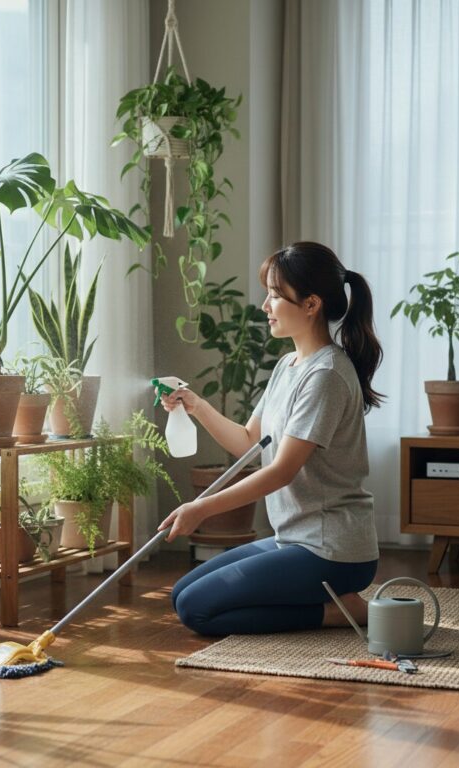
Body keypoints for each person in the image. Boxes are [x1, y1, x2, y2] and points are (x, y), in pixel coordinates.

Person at [158, 241, 384, 636]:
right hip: (292, 539)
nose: (265, 306)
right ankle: (325, 600)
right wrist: (196, 405)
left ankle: (337, 612)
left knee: (196, 611)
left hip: (331, 549)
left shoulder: (326, 375)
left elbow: (281, 472)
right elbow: (250, 442)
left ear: (311, 304)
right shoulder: (289, 366)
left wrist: (201, 507)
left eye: (275, 295)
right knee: (182, 593)